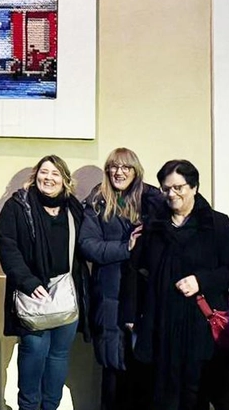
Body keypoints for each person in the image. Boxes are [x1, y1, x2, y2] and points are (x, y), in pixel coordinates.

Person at [133, 159, 229, 410]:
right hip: (162, 323)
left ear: (194, 187)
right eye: (166, 189)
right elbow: (138, 269)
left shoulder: (217, 224)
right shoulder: (154, 226)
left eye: (178, 187)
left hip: (199, 325)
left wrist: (201, 281)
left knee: (196, 394)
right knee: (161, 394)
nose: (172, 194)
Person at [0, 154, 91, 410]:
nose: (48, 178)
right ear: (35, 175)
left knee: (58, 356)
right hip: (32, 295)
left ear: (65, 180)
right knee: (33, 353)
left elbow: (87, 244)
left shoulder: (74, 209)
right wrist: (27, 281)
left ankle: (51, 406)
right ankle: (28, 406)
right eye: (44, 172)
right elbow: (7, 246)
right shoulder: (18, 206)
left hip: (66, 295)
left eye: (55, 173)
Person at [78, 148, 163, 410]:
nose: (119, 172)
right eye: (114, 167)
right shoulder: (98, 201)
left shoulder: (155, 199)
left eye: (126, 167)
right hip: (110, 296)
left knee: (147, 370)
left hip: (146, 296)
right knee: (113, 370)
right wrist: (125, 247)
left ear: (135, 170)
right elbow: (87, 245)